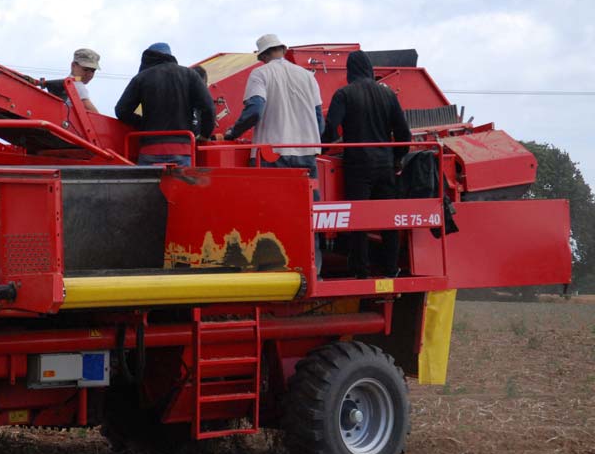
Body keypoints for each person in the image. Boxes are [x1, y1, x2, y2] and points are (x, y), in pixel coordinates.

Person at [324, 50, 412, 278]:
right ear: (370, 69)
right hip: (385, 165)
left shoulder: (343, 94)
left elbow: (331, 127)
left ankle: (360, 271)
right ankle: (391, 268)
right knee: (387, 219)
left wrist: (323, 148)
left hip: (357, 166)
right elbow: (404, 132)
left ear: (349, 71)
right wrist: (397, 158)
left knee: (358, 220)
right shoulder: (388, 95)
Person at [220, 34, 324, 174]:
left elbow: (255, 110)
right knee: (307, 195)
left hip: (271, 153)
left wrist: (233, 133)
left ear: (262, 56)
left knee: (270, 196)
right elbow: (319, 121)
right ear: (283, 50)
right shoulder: (308, 76)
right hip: (307, 152)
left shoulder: (260, 73)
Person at [115, 42, 216, 166]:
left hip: (149, 149)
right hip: (181, 149)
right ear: (170, 56)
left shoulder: (141, 78)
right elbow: (209, 108)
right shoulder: (190, 75)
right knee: (182, 185)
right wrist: (205, 135)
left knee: (145, 186)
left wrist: (143, 123)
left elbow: (121, 110)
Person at [69, 48, 101, 112]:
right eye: (85, 69)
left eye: (92, 71)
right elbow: (93, 112)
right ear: (73, 65)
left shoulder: (65, 82)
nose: (89, 74)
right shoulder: (77, 84)